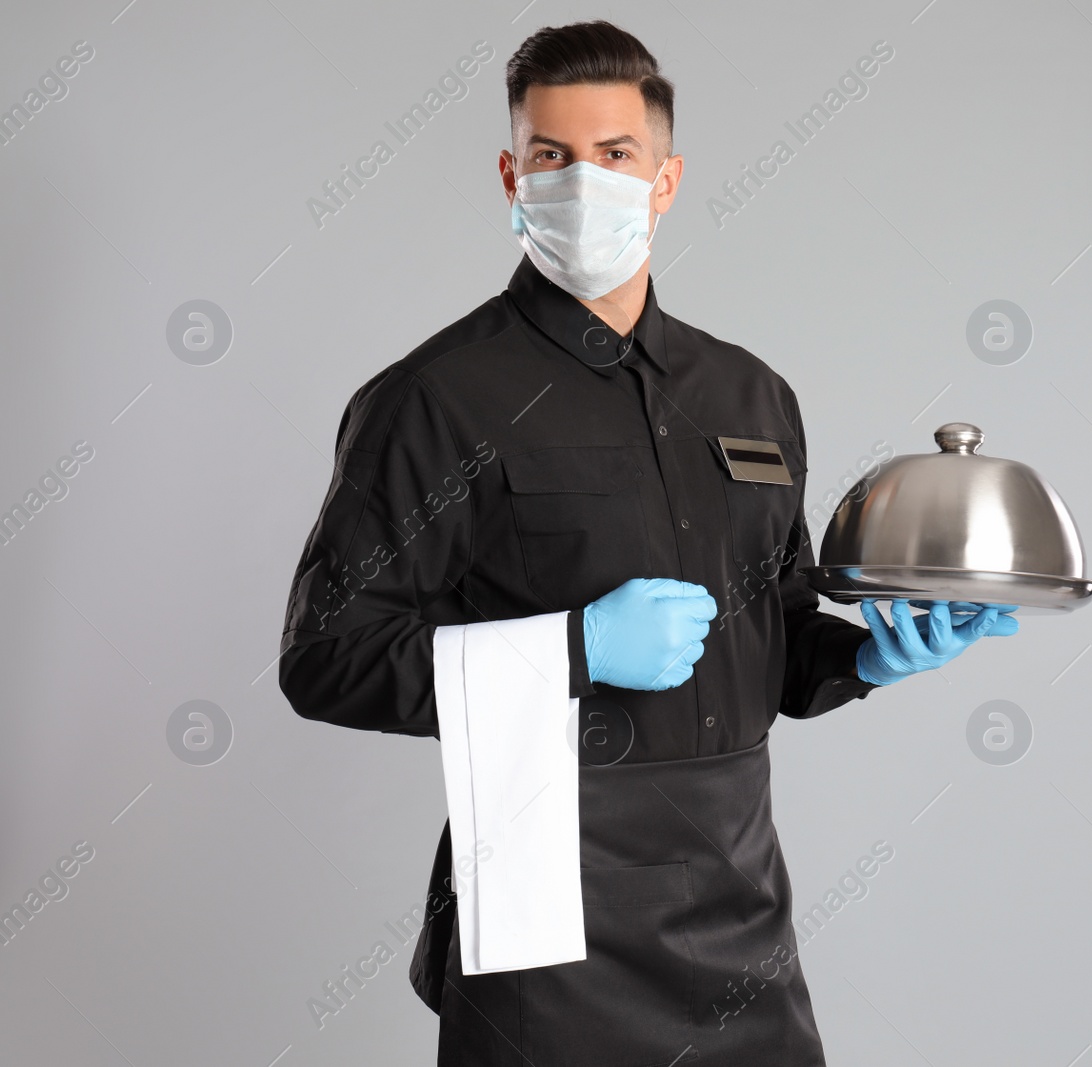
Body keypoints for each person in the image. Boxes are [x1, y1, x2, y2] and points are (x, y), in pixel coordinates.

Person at [276, 20, 1018, 1066]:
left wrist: (866, 657)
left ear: (663, 180)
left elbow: (777, 637)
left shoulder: (751, 396)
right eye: (551, 155)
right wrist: (572, 649)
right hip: (543, 907)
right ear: (510, 174)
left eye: (615, 155)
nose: (584, 181)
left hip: (736, 896)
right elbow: (323, 658)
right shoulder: (434, 401)